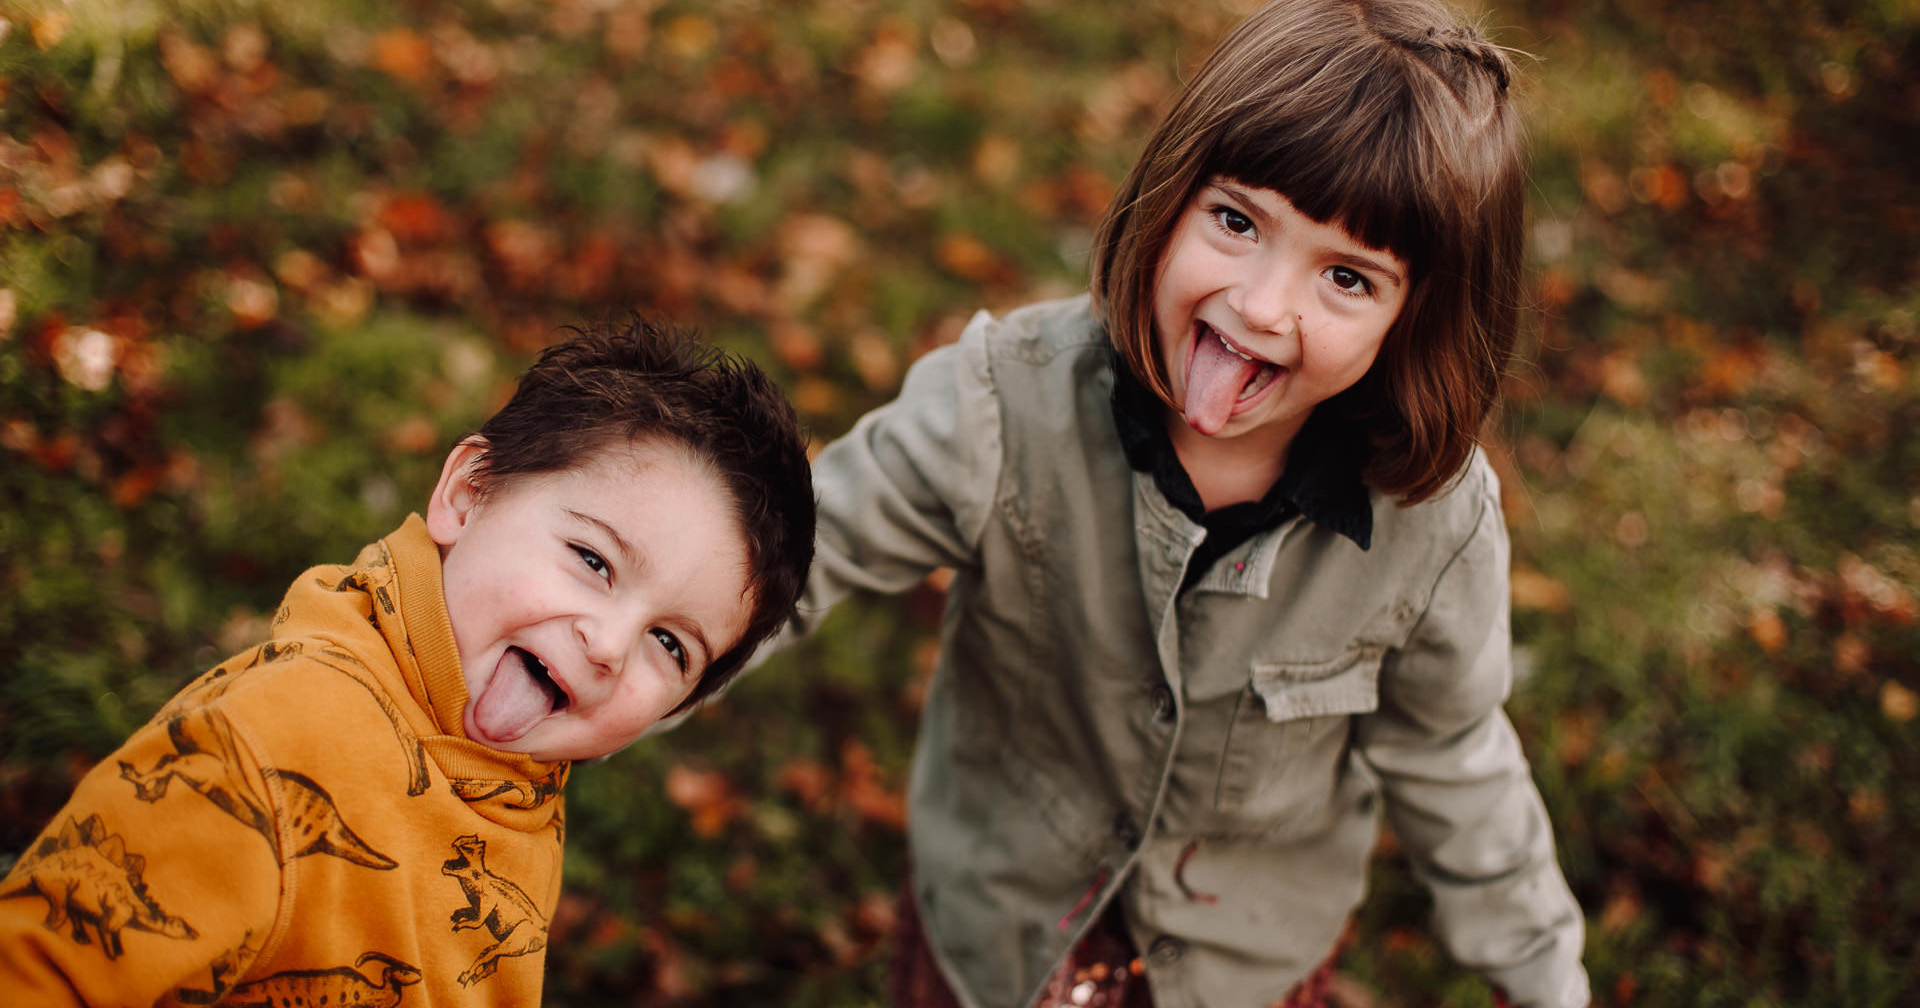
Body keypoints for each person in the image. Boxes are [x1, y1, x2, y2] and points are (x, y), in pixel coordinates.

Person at [778, 1, 1591, 1006]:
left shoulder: (1435, 529)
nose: (1261, 305)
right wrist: (607, 651)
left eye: (1346, 276)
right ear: (1169, 197)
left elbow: (1452, 753)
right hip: (995, 940)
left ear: (1415, 320)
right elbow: (792, 554)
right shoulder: (1002, 400)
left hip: (1242, 969)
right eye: (1237, 220)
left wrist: (1541, 975)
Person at [0, 317, 815, 1006]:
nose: (607, 646)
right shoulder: (272, 745)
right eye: (594, 562)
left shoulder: (520, 782)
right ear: (468, 494)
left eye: (670, 645)